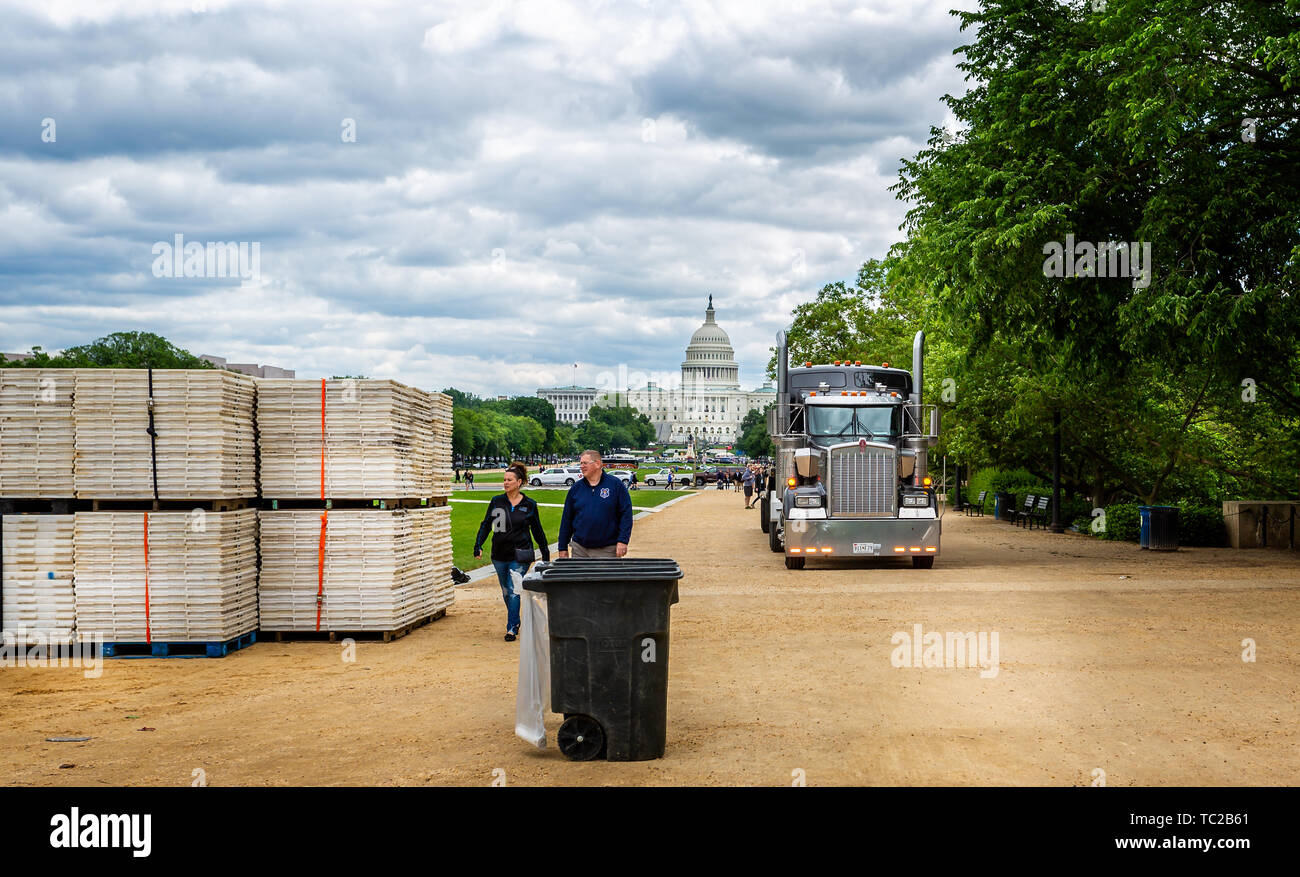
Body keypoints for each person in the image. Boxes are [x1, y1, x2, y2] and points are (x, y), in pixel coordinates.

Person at [473, 463, 550, 642]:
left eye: (509, 480)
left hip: (521, 554)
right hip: (499, 553)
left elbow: (537, 530)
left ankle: (511, 628)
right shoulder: (496, 501)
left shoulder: (529, 504)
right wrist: (478, 545)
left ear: (519, 482)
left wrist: (545, 554)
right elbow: (486, 525)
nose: (506, 482)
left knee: (514, 590)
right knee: (507, 592)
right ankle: (515, 619)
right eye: (505, 479)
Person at [557, 449, 633, 558]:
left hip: (607, 550)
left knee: (604, 576)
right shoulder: (576, 488)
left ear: (597, 464)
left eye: (585, 463)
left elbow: (626, 515)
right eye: (581, 463)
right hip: (580, 549)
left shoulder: (615, 485)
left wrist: (623, 541)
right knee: (579, 576)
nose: (581, 466)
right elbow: (567, 519)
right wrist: (562, 547)